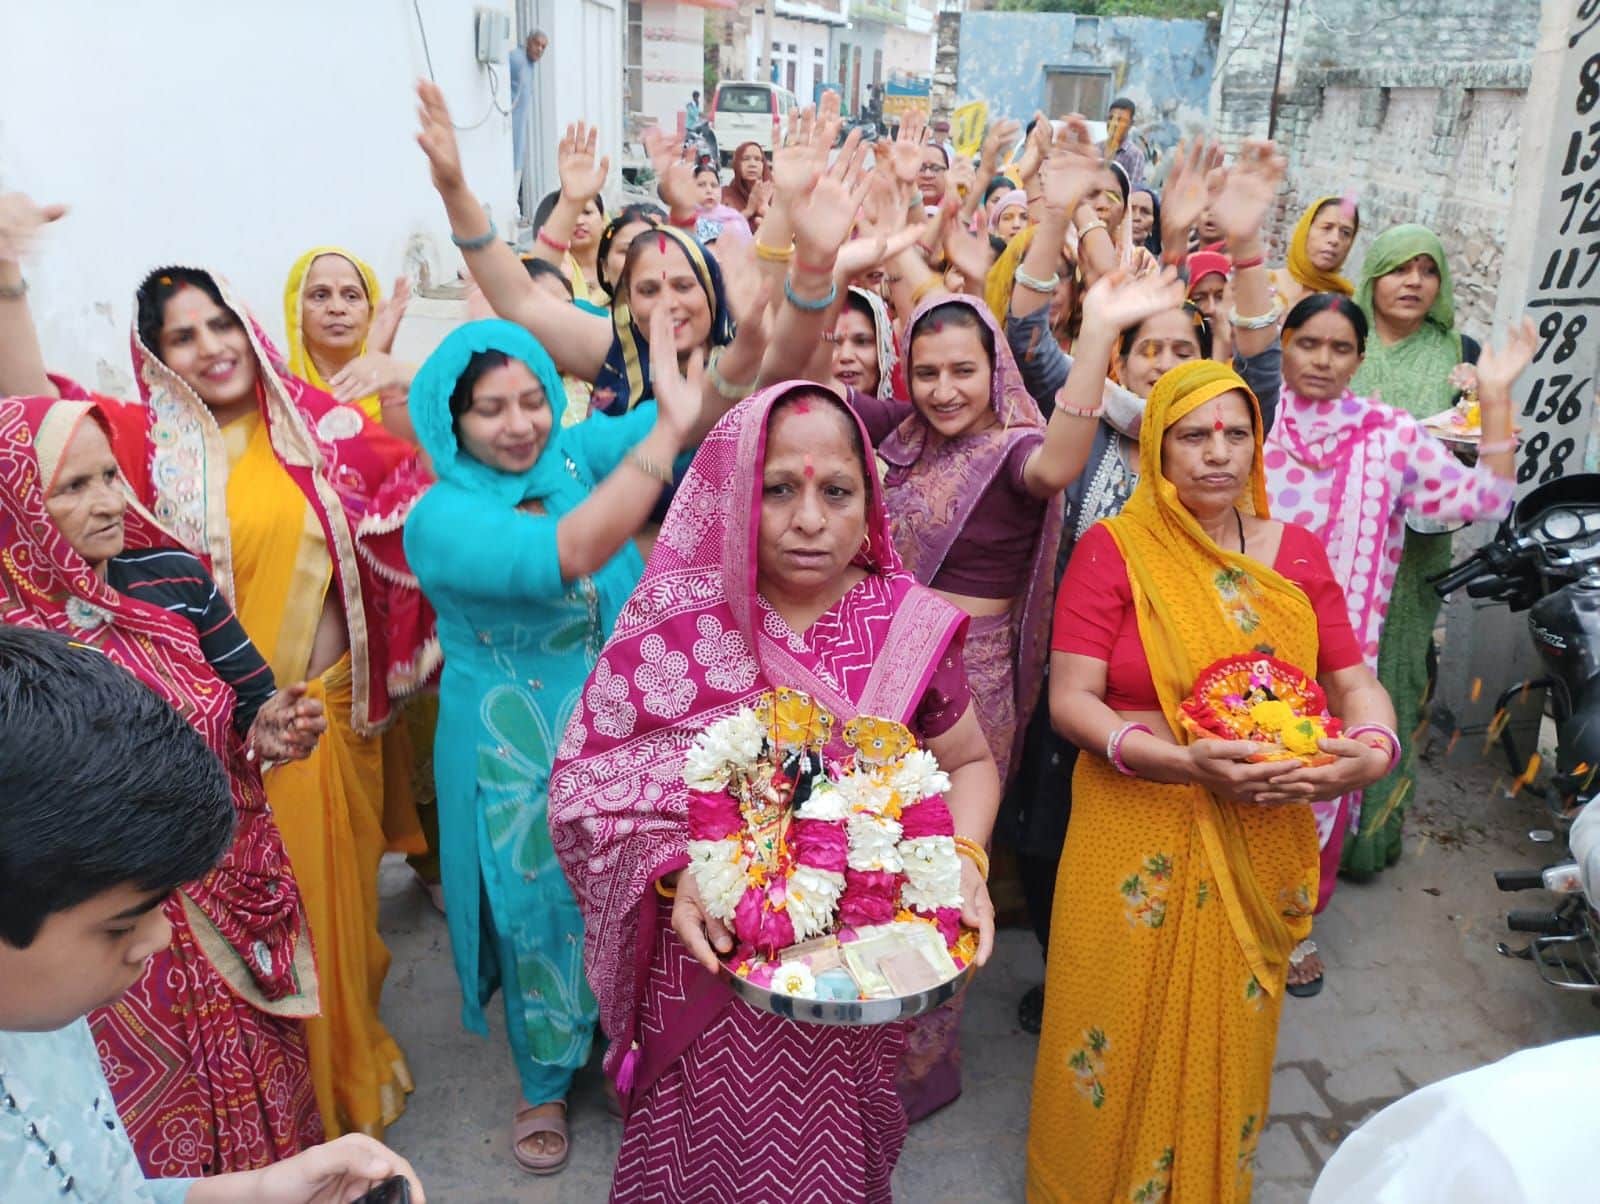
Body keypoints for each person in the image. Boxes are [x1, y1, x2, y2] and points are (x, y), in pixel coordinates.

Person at [0, 196, 435, 1143]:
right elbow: (33, 433)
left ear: (247, 324)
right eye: (180, 336)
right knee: (237, 955)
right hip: (201, 748)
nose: (208, 347)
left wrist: (405, 380)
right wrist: (9, 282)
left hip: (317, 729)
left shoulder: (332, 430)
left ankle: (344, 1084)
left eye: (218, 323)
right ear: (155, 357)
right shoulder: (143, 455)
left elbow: (432, 507)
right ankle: (284, 1131)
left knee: (333, 932)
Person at [548, 382, 1000, 1203]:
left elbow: (968, 761)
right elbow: (588, 792)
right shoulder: (678, 626)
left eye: (837, 491)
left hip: (856, 975)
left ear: (870, 502)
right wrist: (678, 871)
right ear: (731, 496)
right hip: (709, 977)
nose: (809, 518)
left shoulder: (908, 623)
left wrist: (964, 857)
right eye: (779, 489)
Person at [1028, 359, 1398, 1202]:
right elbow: (1070, 700)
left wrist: (1374, 746)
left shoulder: (1292, 554)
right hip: (1134, 828)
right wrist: (1178, 761)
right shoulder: (1114, 550)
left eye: (1236, 434)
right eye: (1194, 435)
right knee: (1110, 1026)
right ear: (1158, 447)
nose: (1217, 453)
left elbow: (1353, 679)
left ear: (1257, 447)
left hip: (1259, 827)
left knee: (1226, 1024)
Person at [997, 138, 1288, 1030]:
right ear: (1114, 365)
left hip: (1193, 688)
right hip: (1080, 679)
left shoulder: (1214, 440)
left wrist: (1243, 248)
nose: (1163, 364)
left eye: (1181, 348)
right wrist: (1055, 216)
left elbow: (1264, 366)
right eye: (1146, 349)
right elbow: (1020, 334)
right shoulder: (1086, 428)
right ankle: (1069, 964)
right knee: (1051, 839)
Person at [401, 312, 702, 1175]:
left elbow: (712, 400)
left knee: (628, 893)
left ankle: (620, 1045)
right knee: (535, 909)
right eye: (491, 409)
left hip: (612, 729)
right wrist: (670, 431)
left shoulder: (571, 459)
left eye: (534, 400)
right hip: (511, 751)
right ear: (450, 423)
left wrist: (795, 276)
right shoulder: (440, 518)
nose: (520, 424)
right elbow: (568, 551)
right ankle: (542, 1078)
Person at [0, 394, 328, 1176]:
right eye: (72, 487)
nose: (109, 501)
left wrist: (270, 728)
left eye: (111, 474)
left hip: (222, 881)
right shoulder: (10, 626)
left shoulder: (170, 576)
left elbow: (250, 699)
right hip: (93, 923)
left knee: (264, 1071)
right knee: (131, 1112)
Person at [0, 623, 426, 1204]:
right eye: (120, 925)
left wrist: (256, 1190)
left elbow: (103, 1187)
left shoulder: (43, 1016)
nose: (159, 938)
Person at [1263, 294, 1527, 985]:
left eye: (1340, 348)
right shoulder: (1245, 419)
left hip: (1341, 661)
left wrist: (1494, 398)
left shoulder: (1388, 434)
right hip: (1236, 643)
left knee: (1321, 780)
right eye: (1307, 343)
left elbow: (1485, 500)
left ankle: (1294, 927)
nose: (1322, 360)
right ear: (1281, 343)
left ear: (1359, 358)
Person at [1344, 224, 1482, 877]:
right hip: (1336, 540)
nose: (1413, 283)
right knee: (1326, 679)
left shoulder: (1460, 353)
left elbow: (1475, 455)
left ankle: (1371, 836)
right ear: (1374, 275)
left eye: (1428, 271)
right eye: (1401, 268)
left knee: (1394, 681)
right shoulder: (1340, 338)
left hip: (1413, 553)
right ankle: (1306, 837)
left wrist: (1485, 406)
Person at [282, 247, 411, 422]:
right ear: (296, 310)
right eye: (320, 295)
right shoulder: (275, 395)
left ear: (370, 310)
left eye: (351, 296)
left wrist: (383, 363)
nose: (337, 308)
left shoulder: (405, 387)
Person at [1270, 195, 1360, 311]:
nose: (1335, 240)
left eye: (1346, 233)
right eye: (1327, 228)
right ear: (1306, 230)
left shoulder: (1345, 306)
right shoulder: (1264, 283)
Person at [828, 285, 898, 398]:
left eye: (862, 342)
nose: (846, 356)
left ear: (884, 350)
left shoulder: (907, 414)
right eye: (832, 342)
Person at [510, 28, 549, 202]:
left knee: (518, 161)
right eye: (536, 44)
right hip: (509, 124)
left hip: (519, 124)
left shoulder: (530, 65)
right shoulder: (517, 59)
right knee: (512, 163)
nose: (539, 49)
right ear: (528, 42)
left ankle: (514, 208)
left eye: (543, 47)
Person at [693, 162, 753, 244]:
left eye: (714, 185)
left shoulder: (734, 218)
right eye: (701, 185)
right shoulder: (683, 219)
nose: (709, 190)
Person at [722, 141, 773, 233]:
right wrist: (748, 211)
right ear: (737, 164)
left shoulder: (774, 193)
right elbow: (721, 232)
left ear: (764, 164)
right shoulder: (726, 195)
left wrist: (764, 207)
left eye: (757, 159)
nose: (752, 164)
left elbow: (789, 233)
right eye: (746, 159)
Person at [1104, 97, 1145, 188]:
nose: (1114, 124)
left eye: (1120, 120)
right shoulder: (1096, 148)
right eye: (1111, 118)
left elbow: (1132, 192)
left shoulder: (1135, 155)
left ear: (1131, 124)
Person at [1130, 185, 1161, 257]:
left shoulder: (1155, 266)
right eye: (1130, 209)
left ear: (1153, 226)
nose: (1137, 217)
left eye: (1145, 212)